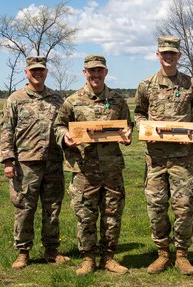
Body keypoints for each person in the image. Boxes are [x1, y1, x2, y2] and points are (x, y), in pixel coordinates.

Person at [134, 36, 193, 275]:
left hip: (182, 159)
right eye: (164, 53)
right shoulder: (146, 85)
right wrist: (143, 126)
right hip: (155, 159)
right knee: (156, 208)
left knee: (184, 208)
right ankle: (162, 253)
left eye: (172, 53)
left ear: (179, 56)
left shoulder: (192, 85)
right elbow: (138, 113)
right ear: (158, 55)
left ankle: (182, 255)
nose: (168, 57)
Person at [54, 55, 132, 276]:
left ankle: (108, 258)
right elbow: (58, 126)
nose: (95, 75)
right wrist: (65, 136)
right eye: (91, 71)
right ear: (84, 73)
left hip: (111, 169)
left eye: (99, 70)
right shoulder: (72, 101)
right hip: (84, 169)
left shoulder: (117, 100)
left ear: (106, 72)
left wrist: (128, 133)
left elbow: (127, 125)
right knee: (85, 215)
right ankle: (88, 258)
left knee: (112, 214)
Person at [0, 56, 70, 269]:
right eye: (33, 70)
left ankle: (52, 250)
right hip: (25, 164)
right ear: (26, 72)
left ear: (46, 72)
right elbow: (6, 130)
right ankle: (23, 252)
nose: (37, 73)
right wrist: (8, 161)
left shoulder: (57, 99)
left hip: (53, 162)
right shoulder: (15, 99)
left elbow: (66, 125)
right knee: (24, 208)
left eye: (41, 70)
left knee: (53, 208)